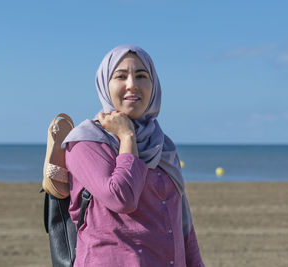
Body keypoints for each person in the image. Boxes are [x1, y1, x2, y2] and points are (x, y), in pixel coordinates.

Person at [61, 45, 205, 267]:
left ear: (153, 85)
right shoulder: (86, 141)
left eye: (141, 76)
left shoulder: (162, 145)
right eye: (121, 76)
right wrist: (127, 136)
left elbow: (182, 224)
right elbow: (122, 198)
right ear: (105, 85)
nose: (132, 85)